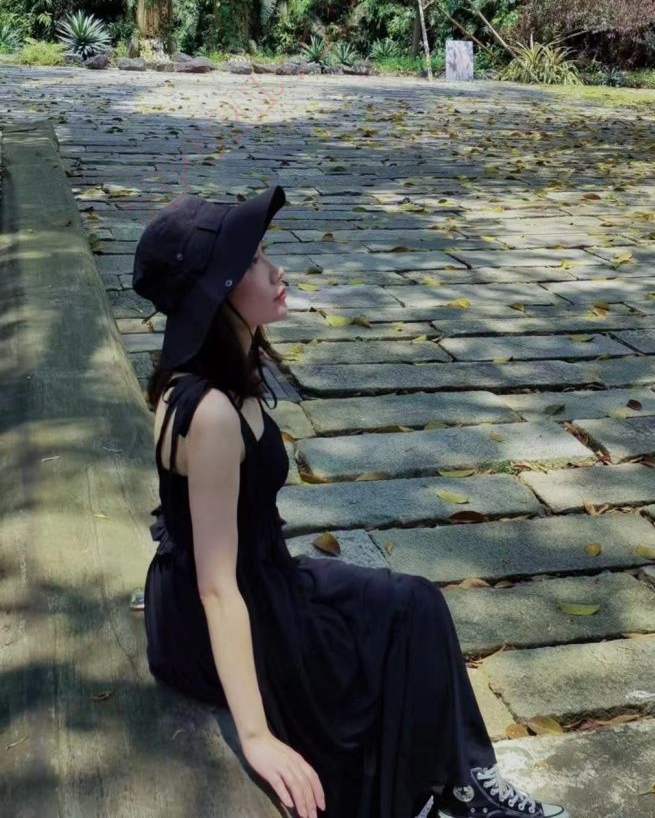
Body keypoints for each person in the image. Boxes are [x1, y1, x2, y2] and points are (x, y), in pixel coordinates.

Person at [132, 186, 570, 818]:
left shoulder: (222, 371)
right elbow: (216, 587)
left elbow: (187, 520)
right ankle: (418, 799)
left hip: (260, 578)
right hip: (224, 613)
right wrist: (256, 737)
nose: (276, 270)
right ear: (215, 291)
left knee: (415, 605)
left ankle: (461, 782)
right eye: (253, 261)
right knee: (358, 661)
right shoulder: (212, 412)